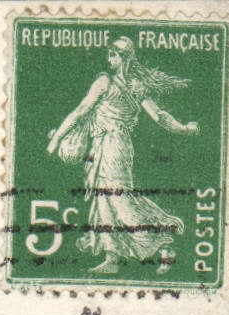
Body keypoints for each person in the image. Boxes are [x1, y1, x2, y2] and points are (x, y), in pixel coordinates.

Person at [46, 37, 199, 275]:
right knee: (105, 199)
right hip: (114, 146)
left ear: (125, 57)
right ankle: (112, 257)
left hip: (111, 146)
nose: (109, 59)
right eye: (108, 55)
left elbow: (80, 110)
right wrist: (184, 128)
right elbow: (159, 116)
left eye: (114, 55)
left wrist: (56, 140)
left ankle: (163, 245)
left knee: (119, 200)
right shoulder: (136, 86)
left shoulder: (105, 82)